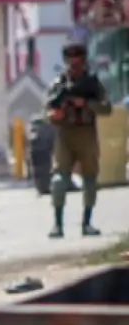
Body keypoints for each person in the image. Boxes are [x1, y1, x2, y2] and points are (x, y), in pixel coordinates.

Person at [44, 41, 111, 238]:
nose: (74, 64)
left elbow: (106, 108)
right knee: (58, 180)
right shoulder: (58, 84)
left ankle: (87, 223)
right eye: (71, 60)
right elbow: (47, 111)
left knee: (89, 178)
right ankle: (57, 224)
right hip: (65, 134)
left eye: (78, 60)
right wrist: (56, 114)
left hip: (87, 133)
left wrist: (87, 104)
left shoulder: (92, 82)